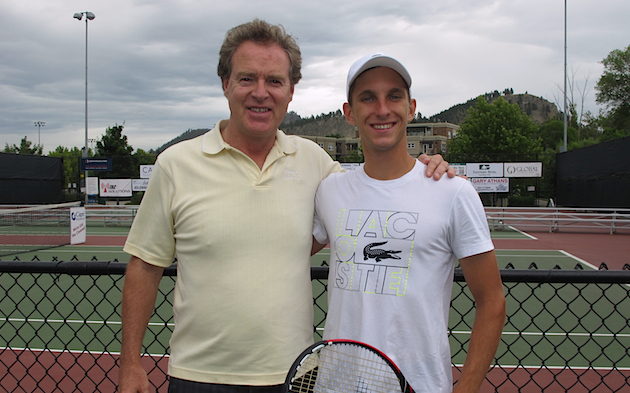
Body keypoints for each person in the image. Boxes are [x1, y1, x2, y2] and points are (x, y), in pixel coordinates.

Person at [118, 21, 454, 393]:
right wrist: (131, 363)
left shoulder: (315, 162)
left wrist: (426, 170)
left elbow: (376, 186)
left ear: (291, 91)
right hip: (199, 377)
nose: (260, 93)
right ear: (225, 84)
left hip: (297, 377)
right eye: (247, 79)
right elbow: (145, 266)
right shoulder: (175, 164)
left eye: (274, 81)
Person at [311, 53, 506, 393]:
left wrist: (466, 388)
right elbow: (284, 250)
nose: (382, 109)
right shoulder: (329, 191)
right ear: (349, 113)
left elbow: (492, 300)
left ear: (412, 107)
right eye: (368, 97)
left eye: (394, 96)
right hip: (334, 385)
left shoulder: (453, 192)